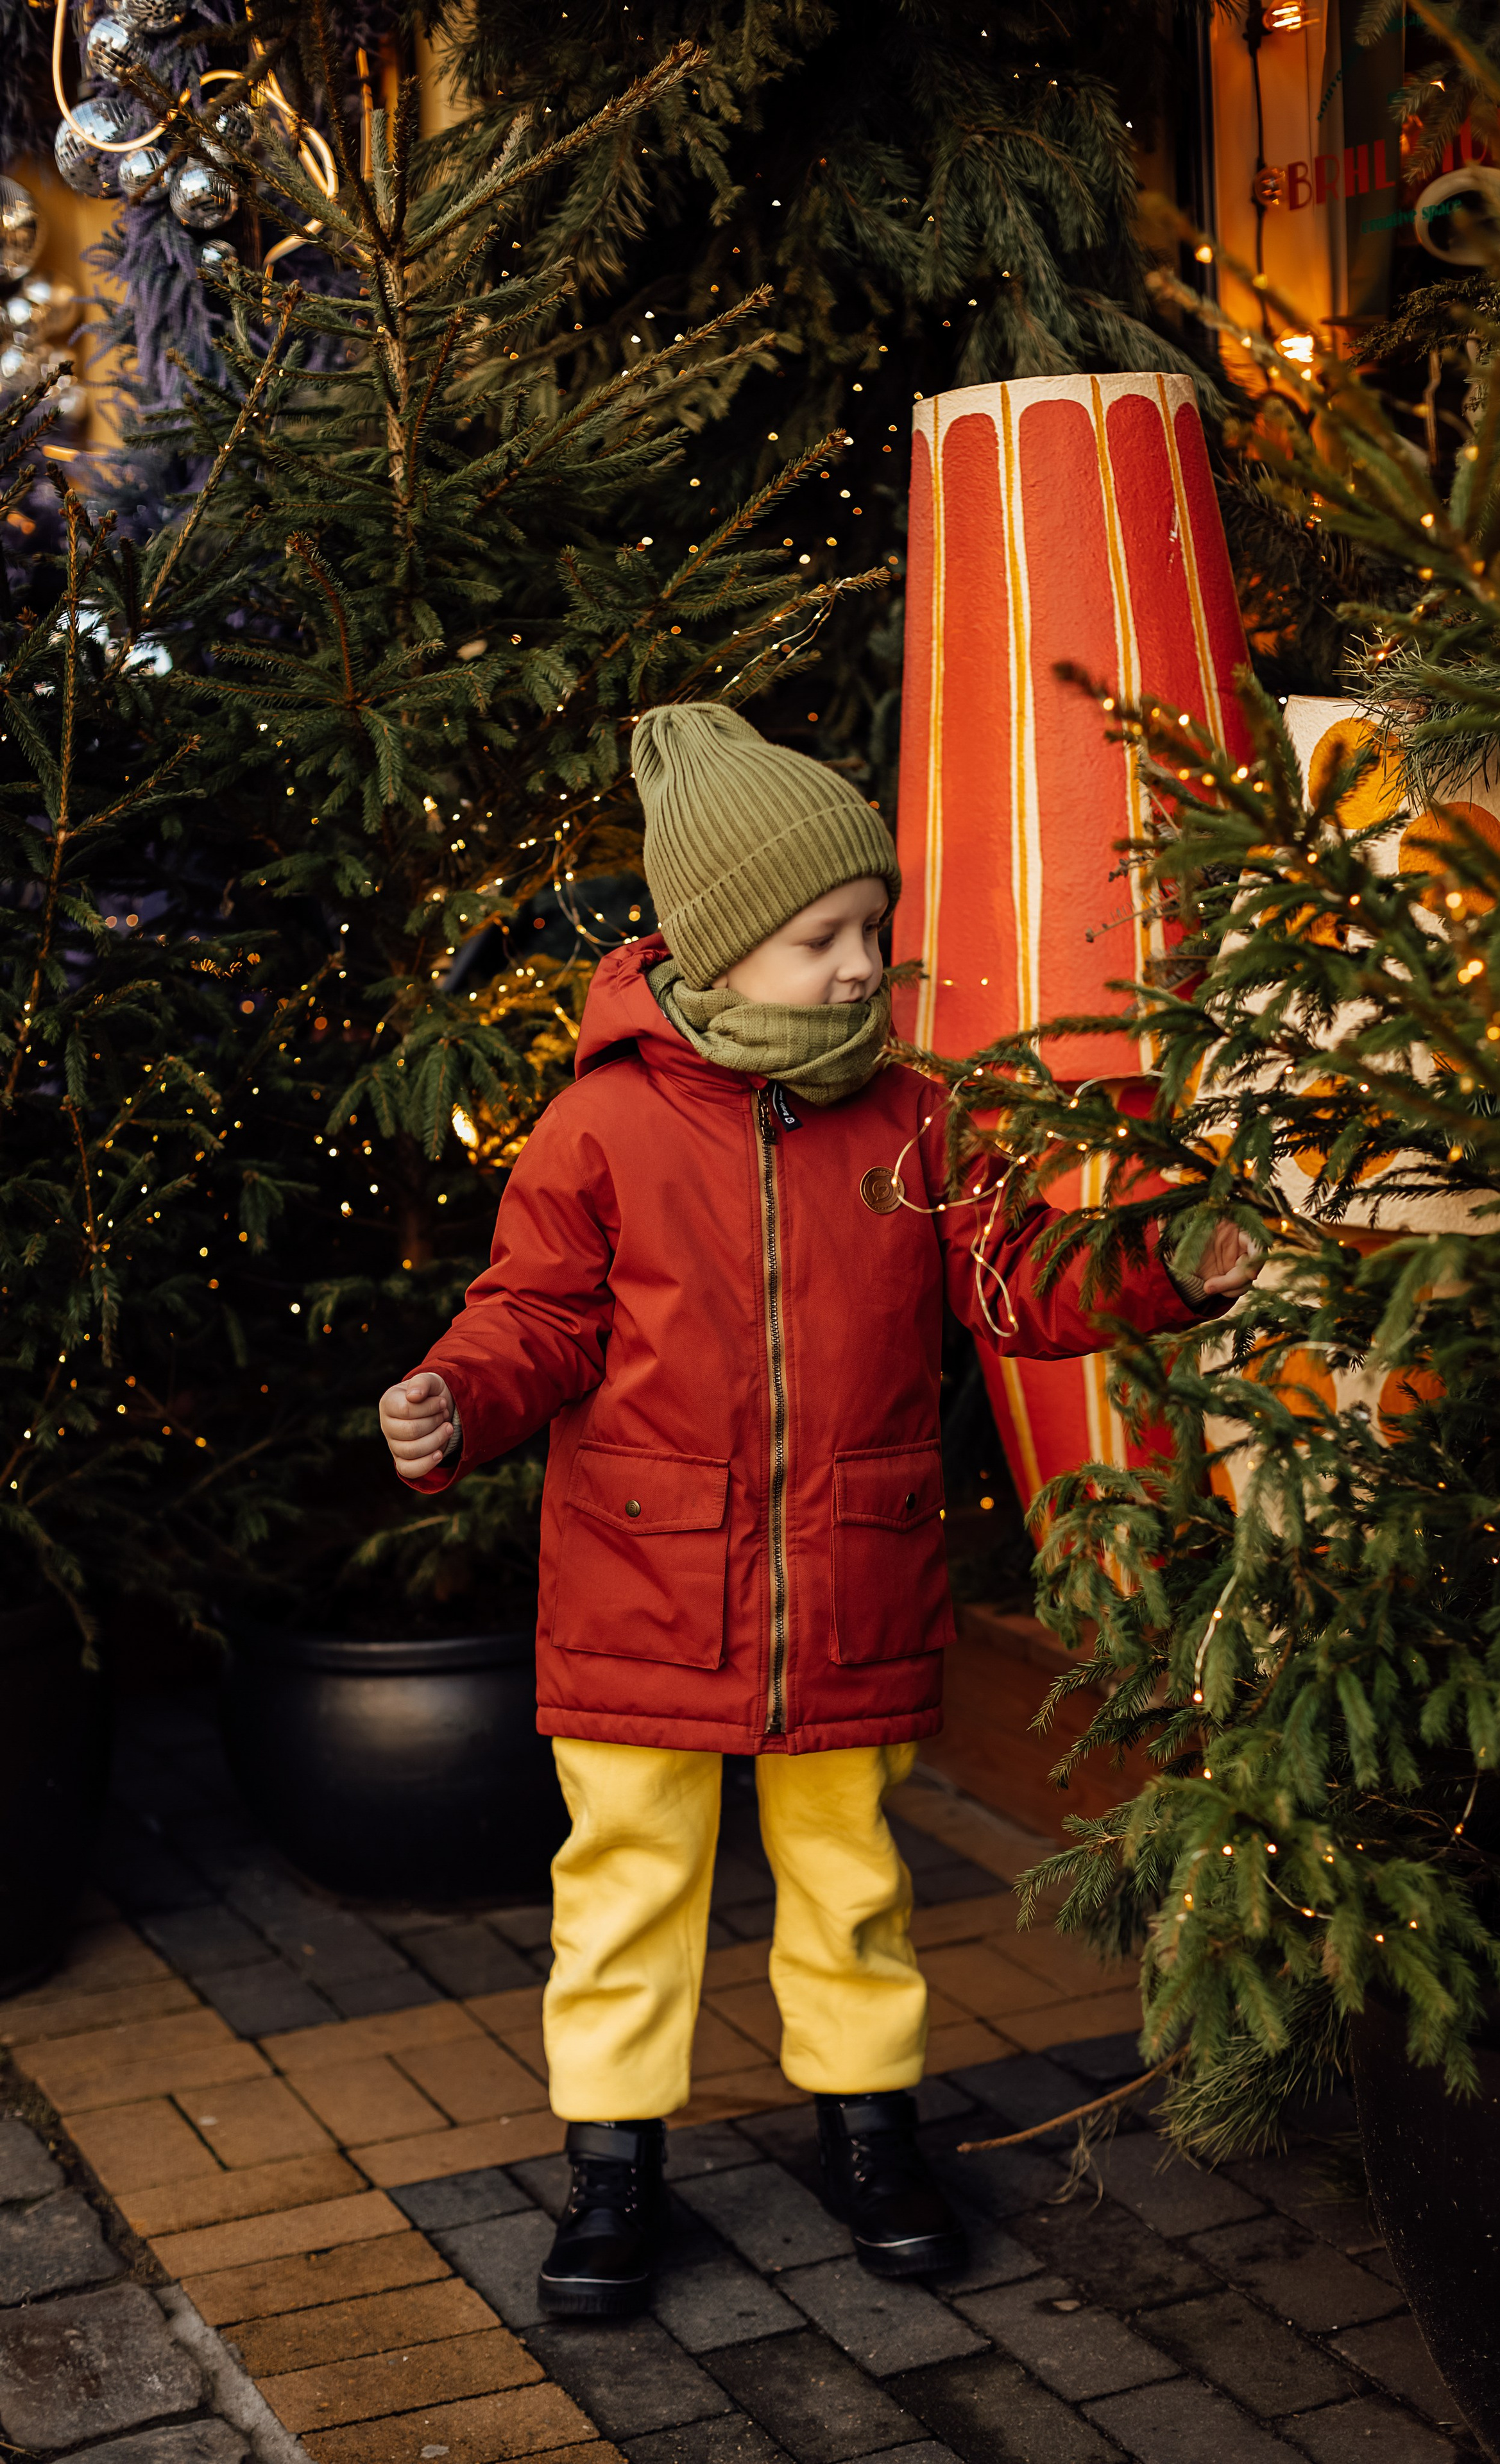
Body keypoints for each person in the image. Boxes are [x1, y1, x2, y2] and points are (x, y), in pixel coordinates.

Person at [379, 702, 1256, 2320]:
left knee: (850, 1874)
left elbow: (1012, 1277)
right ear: (717, 950)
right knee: (627, 1879)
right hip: (641, 1577)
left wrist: (1155, 1265)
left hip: (843, 1573)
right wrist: (454, 1396)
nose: (864, 968)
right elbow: (538, 1317)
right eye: (824, 938)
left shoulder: (912, 1116)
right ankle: (611, 2169)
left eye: (875, 931)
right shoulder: (600, 1126)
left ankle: (869, 2137)